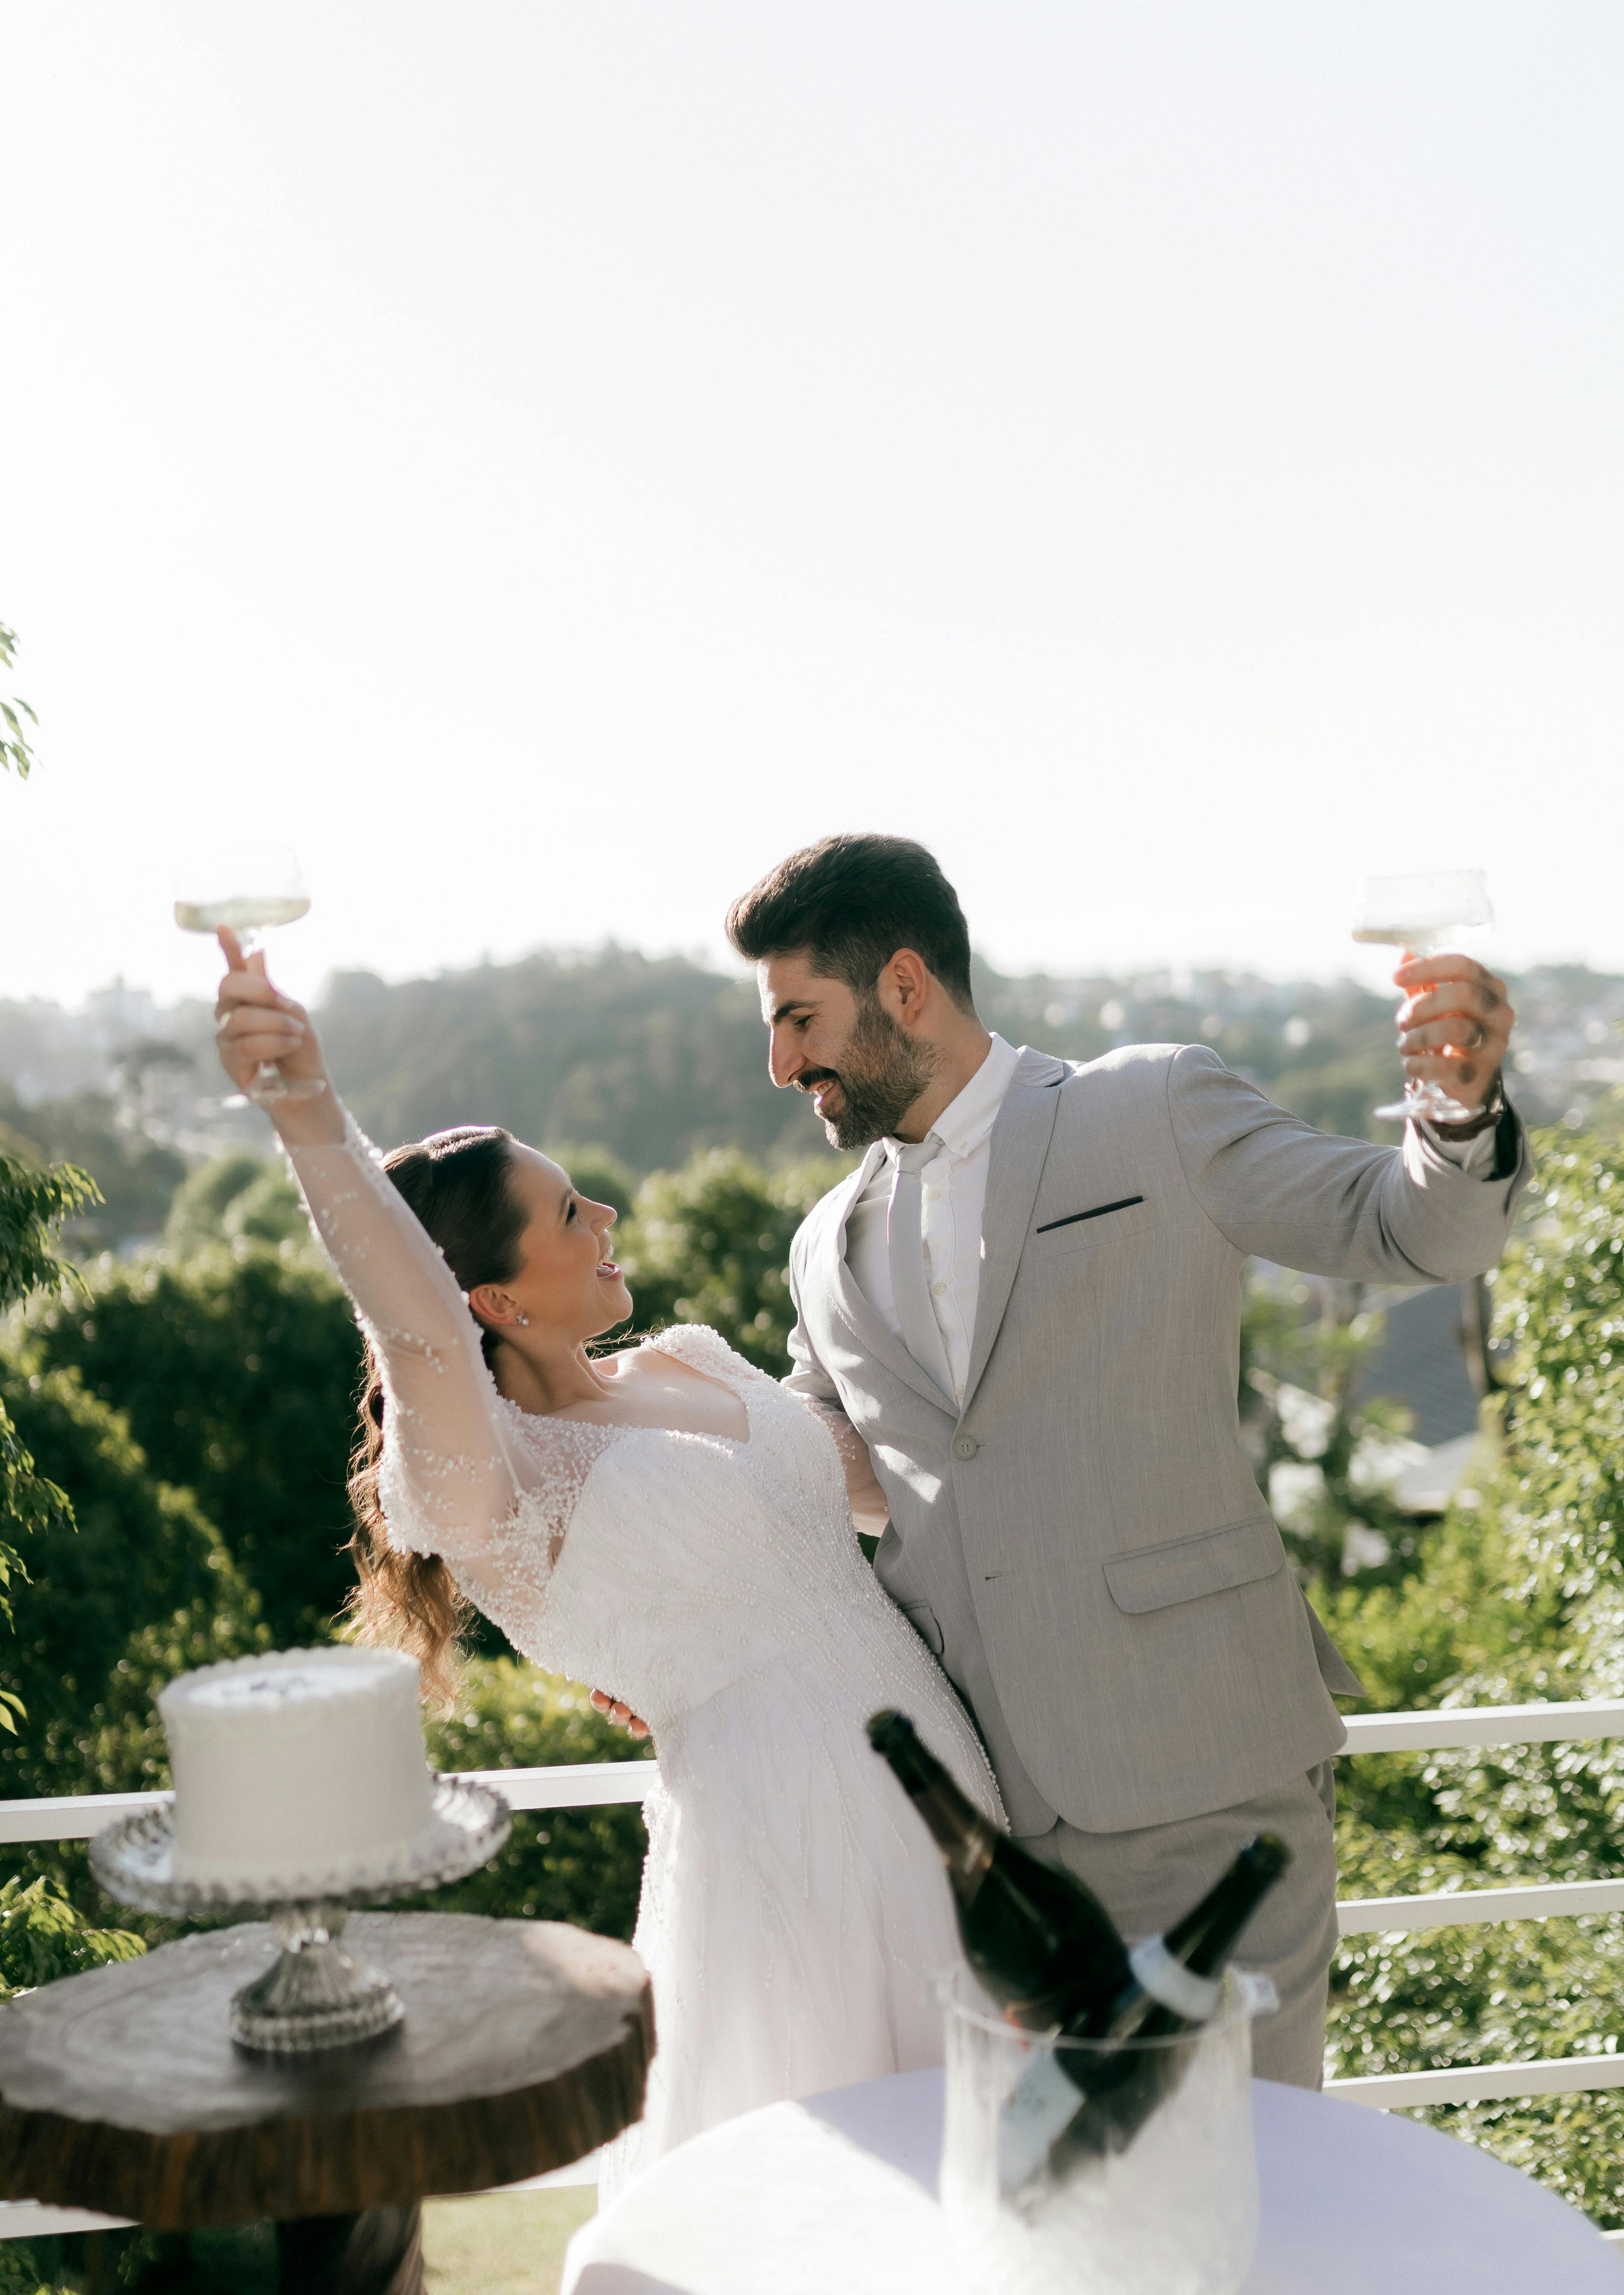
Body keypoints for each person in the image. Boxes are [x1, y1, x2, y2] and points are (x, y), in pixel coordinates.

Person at [699, 831, 1528, 2086]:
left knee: (1256, 2180)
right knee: (1058, 2205)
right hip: (987, 1834)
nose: (781, 1063)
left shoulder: (1151, 1109)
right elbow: (823, 1480)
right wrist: (679, 1606)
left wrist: (1456, 1109)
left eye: (799, 1019)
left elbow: (1412, 1229)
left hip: (1208, 1785)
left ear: (907, 989)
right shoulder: (825, 1245)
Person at [209, 929, 1007, 2192]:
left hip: (948, 1791)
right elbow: (409, 1317)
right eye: (572, 1214)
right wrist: (309, 1111)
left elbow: (895, 1485)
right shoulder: (496, 1482)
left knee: (1004, 2181)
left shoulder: (686, 1358)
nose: (609, 1217)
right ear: (497, 1302)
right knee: (841, 2202)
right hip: (779, 1835)